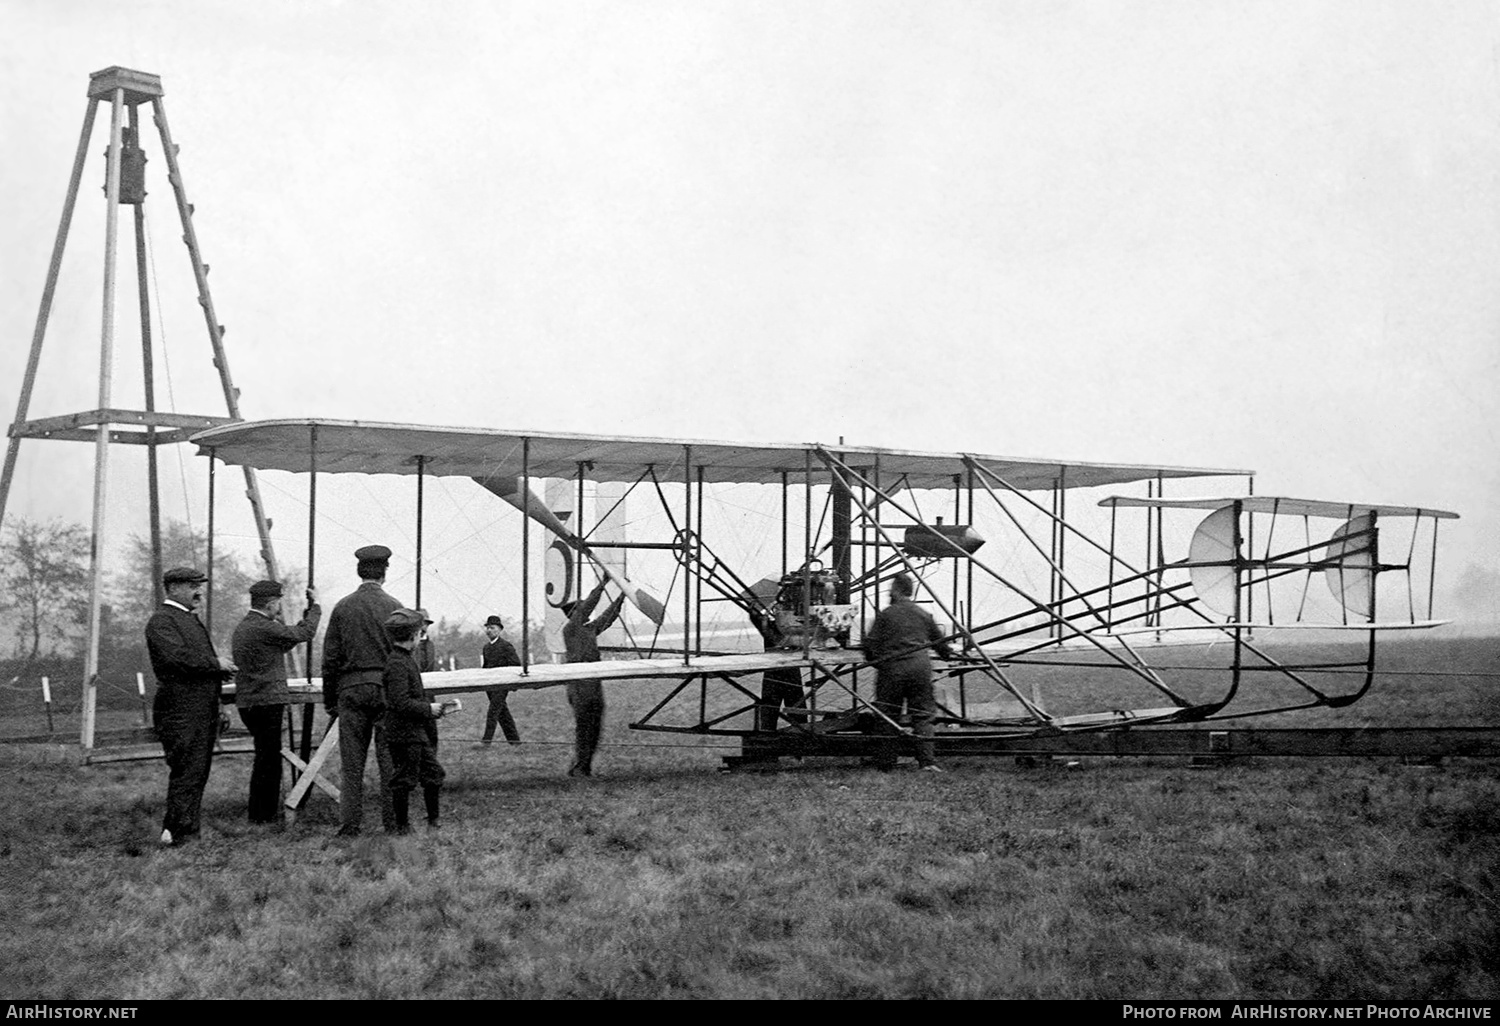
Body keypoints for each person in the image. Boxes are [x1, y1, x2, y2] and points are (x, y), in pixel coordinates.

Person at [145, 566, 236, 846]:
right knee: (187, 771)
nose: (199, 592)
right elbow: (176, 659)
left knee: (196, 771)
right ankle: (183, 834)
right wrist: (214, 664)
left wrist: (219, 676)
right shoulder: (162, 621)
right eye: (192, 586)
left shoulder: (188, 620)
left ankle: (175, 831)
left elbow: (194, 662)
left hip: (201, 708)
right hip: (180, 710)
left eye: (200, 586)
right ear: (172, 589)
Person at [321, 544, 403, 836]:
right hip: (385, 691)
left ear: (359, 571)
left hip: (351, 691)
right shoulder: (395, 606)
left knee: (351, 763)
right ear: (385, 572)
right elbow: (403, 656)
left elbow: (330, 658)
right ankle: (394, 824)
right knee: (390, 761)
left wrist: (330, 699)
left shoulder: (343, 607)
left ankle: (349, 825)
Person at [230, 580, 321, 825]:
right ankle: (263, 816)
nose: (279, 608)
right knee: (268, 760)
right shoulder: (263, 626)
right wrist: (316, 607)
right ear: (270, 603)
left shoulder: (248, 626)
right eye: (278, 603)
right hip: (265, 702)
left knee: (265, 757)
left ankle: (261, 813)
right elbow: (304, 634)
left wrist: (305, 614)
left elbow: (286, 640)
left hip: (250, 702)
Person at [860, 572, 954, 772]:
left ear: (896, 590)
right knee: (922, 715)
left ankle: (886, 763)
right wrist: (948, 654)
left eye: (891, 588)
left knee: (887, 715)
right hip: (920, 670)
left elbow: (869, 646)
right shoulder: (923, 614)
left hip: (892, 671)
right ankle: (927, 762)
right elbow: (941, 646)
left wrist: (877, 663)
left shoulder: (886, 615)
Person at [381, 608, 455, 834]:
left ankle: (434, 822)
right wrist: (429, 708)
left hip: (414, 731)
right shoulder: (397, 664)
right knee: (404, 779)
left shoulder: (403, 660)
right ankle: (402, 827)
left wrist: (431, 710)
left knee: (433, 773)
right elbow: (400, 702)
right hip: (404, 733)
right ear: (413, 636)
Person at [559, 579, 625, 777]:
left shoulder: (589, 630)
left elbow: (608, 617)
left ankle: (583, 766)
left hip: (593, 684)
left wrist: (622, 597)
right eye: (581, 610)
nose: (585, 612)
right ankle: (579, 765)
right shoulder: (570, 630)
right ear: (575, 614)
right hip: (579, 686)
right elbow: (589, 606)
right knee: (585, 726)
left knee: (594, 726)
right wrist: (603, 583)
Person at [749, 608, 806, 733]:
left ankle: (769, 737)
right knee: (795, 711)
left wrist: (755, 609)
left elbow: (757, 620)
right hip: (787, 671)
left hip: (776, 672)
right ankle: (800, 737)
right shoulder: (790, 628)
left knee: (771, 712)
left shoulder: (772, 627)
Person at [478, 614, 521, 745]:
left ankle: (486, 741)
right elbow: (485, 667)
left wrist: (512, 683)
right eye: (487, 628)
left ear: (500, 629)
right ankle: (515, 742)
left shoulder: (506, 646)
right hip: (490, 686)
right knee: (503, 713)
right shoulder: (486, 648)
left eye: (492, 627)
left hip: (502, 685)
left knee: (493, 711)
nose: (489, 630)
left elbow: (516, 665)